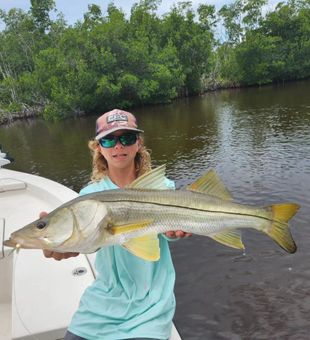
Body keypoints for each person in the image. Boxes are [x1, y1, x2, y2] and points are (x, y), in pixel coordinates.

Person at [42, 109, 190, 340]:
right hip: (104, 300)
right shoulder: (89, 196)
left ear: (138, 143)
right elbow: (88, 243)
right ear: (98, 147)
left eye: (127, 138)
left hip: (152, 300)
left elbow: (169, 233)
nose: (118, 146)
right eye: (109, 139)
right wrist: (64, 246)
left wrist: (175, 232)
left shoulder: (161, 186)